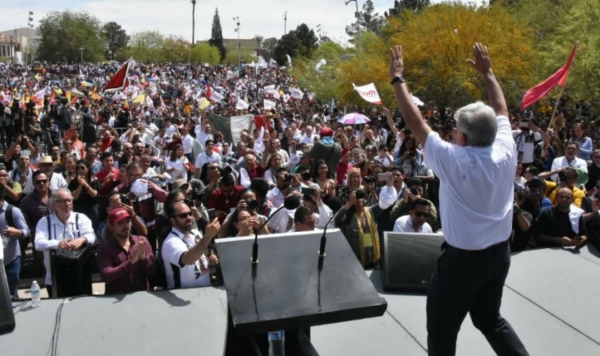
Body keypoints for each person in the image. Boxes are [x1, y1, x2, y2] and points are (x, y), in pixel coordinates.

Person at [389, 43, 528, 354]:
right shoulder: (506, 147)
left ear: (462, 138)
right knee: (490, 319)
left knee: (442, 333)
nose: (452, 135)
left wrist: (398, 79)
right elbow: (502, 110)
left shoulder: (455, 161)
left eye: (455, 131)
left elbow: (415, 124)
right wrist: (488, 73)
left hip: (462, 264)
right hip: (499, 257)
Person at [34, 188, 96, 296]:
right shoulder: (45, 221)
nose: (67, 204)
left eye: (69, 200)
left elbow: (92, 236)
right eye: (62, 201)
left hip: (80, 275)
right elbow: (38, 243)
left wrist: (82, 239)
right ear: (54, 203)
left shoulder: (81, 218)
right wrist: (57, 244)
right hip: (55, 276)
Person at [97, 207, 157, 294]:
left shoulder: (141, 241)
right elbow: (107, 275)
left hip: (141, 296)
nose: (125, 226)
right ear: (111, 226)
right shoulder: (105, 248)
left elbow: (153, 271)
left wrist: (144, 259)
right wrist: (131, 261)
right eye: (120, 223)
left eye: (127, 221)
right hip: (116, 297)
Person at [161, 202, 220, 289]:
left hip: (206, 289)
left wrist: (212, 258)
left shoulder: (195, 233)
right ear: (173, 220)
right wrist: (208, 236)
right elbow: (188, 259)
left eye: (190, 214)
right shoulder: (170, 242)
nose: (189, 218)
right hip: (184, 293)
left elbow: (204, 252)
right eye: (183, 215)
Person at [334, 189, 381, 269]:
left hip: (371, 257)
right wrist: (349, 203)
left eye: (361, 196)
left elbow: (385, 204)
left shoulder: (371, 211)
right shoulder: (347, 216)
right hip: (354, 260)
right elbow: (336, 221)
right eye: (356, 197)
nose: (359, 199)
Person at [0, 183, 30, 298]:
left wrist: (17, 232)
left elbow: (26, 231)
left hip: (10, 260)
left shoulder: (12, 211)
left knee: (12, 295)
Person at [69, 159, 101, 230]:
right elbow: (74, 197)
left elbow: (94, 194)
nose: (80, 169)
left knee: (93, 228)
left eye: (82, 167)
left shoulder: (94, 180)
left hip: (91, 208)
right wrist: (80, 185)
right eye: (78, 168)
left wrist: (85, 184)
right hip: (78, 208)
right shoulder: (73, 182)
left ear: (88, 168)